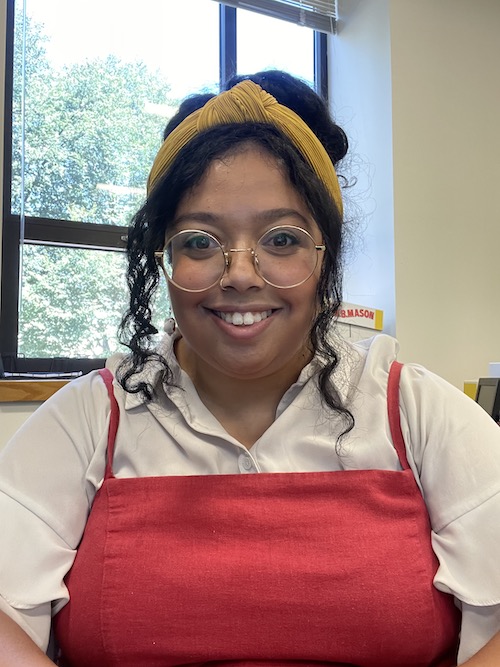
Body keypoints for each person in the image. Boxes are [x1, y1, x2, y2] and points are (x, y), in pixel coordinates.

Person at [0, 70, 499, 667]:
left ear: (326, 257)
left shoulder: (415, 411)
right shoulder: (90, 417)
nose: (240, 273)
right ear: (163, 258)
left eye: (282, 239)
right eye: (201, 242)